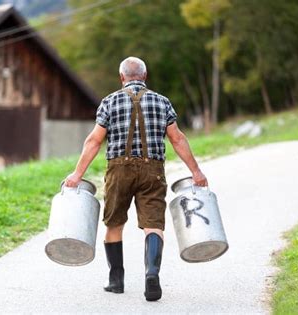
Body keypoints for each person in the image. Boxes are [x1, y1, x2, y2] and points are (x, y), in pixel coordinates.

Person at [64, 56, 208, 301]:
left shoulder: (109, 102)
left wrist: (77, 175)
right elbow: (178, 139)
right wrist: (196, 172)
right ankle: (152, 274)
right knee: (153, 225)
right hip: (153, 170)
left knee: (114, 223)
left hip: (119, 170)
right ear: (145, 76)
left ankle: (116, 281)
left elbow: (94, 141)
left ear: (122, 78)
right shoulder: (162, 102)